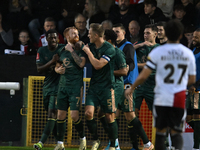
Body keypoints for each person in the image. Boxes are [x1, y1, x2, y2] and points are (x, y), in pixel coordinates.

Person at [125, 19, 196, 150]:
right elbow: (192, 79)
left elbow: (144, 75)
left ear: (165, 34)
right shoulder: (187, 53)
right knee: (175, 131)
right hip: (178, 96)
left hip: (161, 93)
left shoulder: (158, 52)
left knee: (160, 131)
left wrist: (132, 87)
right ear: (181, 35)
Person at [112, 23, 154, 150]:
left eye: (118, 31)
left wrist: (124, 70)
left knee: (130, 116)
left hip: (127, 84)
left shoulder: (128, 46)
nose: (115, 34)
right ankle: (115, 145)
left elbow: (132, 64)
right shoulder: (114, 47)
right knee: (114, 115)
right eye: (113, 32)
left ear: (124, 33)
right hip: (118, 84)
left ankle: (147, 143)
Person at [82, 23, 117, 150]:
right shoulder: (90, 45)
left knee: (109, 116)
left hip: (107, 87)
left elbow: (97, 65)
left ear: (96, 35)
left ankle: (113, 145)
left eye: (90, 33)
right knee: (88, 113)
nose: (88, 35)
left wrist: (88, 52)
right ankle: (96, 139)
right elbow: (79, 46)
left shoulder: (109, 49)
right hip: (94, 86)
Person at [54, 26, 86, 150]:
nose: (76, 35)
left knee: (74, 116)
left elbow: (81, 64)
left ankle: (82, 139)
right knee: (60, 115)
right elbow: (57, 65)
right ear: (67, 37)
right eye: (73, 33)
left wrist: (72, 51)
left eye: (77, 33)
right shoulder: (61, 50)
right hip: (62, 86)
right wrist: (58, 70)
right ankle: (60, 143)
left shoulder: (80, 49)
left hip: (75, 87)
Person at [34, 29, 65, 150]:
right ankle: (59, 143)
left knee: (51, 113)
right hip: (47, 85)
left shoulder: (63, 49)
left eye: (55, 38)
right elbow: (39, 69)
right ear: (46, 39)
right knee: (52, 115)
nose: (53, 40)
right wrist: (52, 61)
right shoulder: (41, 50)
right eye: (50, 38)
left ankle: (41, 142)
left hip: (59, 86)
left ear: (58, 39)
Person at [98, 29, 129, 150]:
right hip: (106, 86)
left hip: (115, 86)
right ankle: (113, 140)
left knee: (109, 114)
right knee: (101, 113)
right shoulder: (103, 52)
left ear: (108, 40)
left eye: (103, 38)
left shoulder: (117, 52)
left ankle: (115, 145)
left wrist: (108, 72)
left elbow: (124, 71)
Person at [133, 24, 159, 118]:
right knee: (133, 113)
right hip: (138, 84)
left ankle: (161, 132)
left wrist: (135, 65)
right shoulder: (139, 45)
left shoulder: (159, 48)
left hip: (152, 84)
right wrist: (141, 44)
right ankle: (135, 132)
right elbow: (127, 51)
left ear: (155, 34)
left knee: (157, 114)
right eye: (144, 33)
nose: (145, 35)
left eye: (148, 33)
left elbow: (149, 65)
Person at [186, 28, 200, 150]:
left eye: (196, 37)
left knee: (196, 117)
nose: (193, 39)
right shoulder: (194, 49)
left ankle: (196, 147)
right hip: (190, 88)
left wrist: (196, 85)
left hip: (198, 89)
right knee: (188, 118)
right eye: (193, 36)